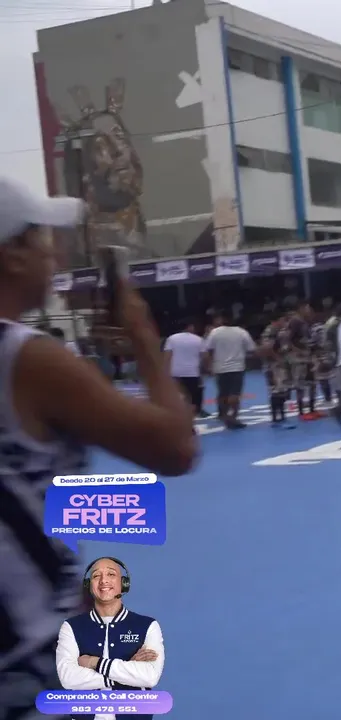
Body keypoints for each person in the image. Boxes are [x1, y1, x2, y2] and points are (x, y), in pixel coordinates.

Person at [0, 177, 194, 720]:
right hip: (33, 666)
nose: (54, 256)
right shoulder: (27, 359)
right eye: (41, 240)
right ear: (12, 255)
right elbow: (177, 448)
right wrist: (142, 335)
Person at [55, 557, 165, 720]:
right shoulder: (71, 627)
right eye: (96, 576)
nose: (104, 580)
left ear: (124, 583)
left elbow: (150, 677)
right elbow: (68, 678)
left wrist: (94, 662)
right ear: (88, 585)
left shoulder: (148, 625)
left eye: (111, 574)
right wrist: (128, 669)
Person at [203, 313, 255, 430]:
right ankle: (233, 416)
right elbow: (251, 349)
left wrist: (209, 365)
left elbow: (208, 349)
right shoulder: (241, 332)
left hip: (220, 368)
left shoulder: (215, 332)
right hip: (237, 367)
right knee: (235, 394)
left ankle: (224, 415)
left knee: (223, 393)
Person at [163, 319, 206, 418]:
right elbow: (205, 356)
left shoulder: (171, 339)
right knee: (194, 395)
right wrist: (206, 368)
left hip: (175, 372)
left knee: (180, 394)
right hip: (193, 372)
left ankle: (179, 414)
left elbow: (167, 356)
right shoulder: (198, 339)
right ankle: (194, 413)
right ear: (190, 327)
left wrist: (165, 371)